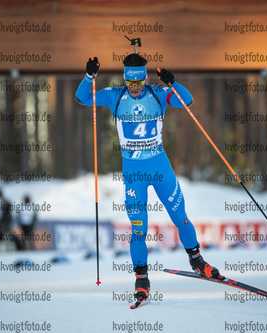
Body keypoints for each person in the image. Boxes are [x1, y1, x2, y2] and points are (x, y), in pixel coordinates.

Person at [75, 54, 220, 303]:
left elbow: (187, 100)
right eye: (131, 84)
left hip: (160, 167)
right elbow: (83, 97)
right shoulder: (115, 95)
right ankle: (141, 280)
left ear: (144, 79)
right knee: (138, 228)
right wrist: (89, 76)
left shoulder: (156, 93)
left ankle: (197, 261)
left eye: (139, 83)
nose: (134, 89)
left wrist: (172, 82)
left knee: (180, 217)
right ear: (125, 80)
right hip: (134, 173)